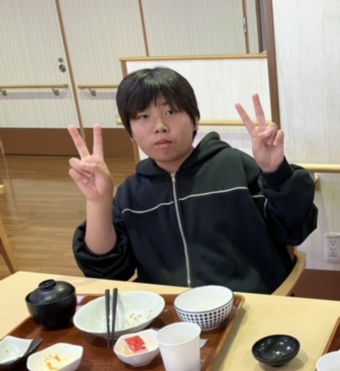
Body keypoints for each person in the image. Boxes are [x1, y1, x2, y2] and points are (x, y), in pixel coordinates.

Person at [69, 67, 317, 293]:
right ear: (131, 133)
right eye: (143, 116)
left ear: (195, 119)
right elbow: (106, 272)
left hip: (248, 307)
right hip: (168, 315)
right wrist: (99, 202)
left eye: (170, 111)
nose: (159, 126)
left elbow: (294, 228)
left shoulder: (234, 166)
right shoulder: (131, 194)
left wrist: (275, 172)